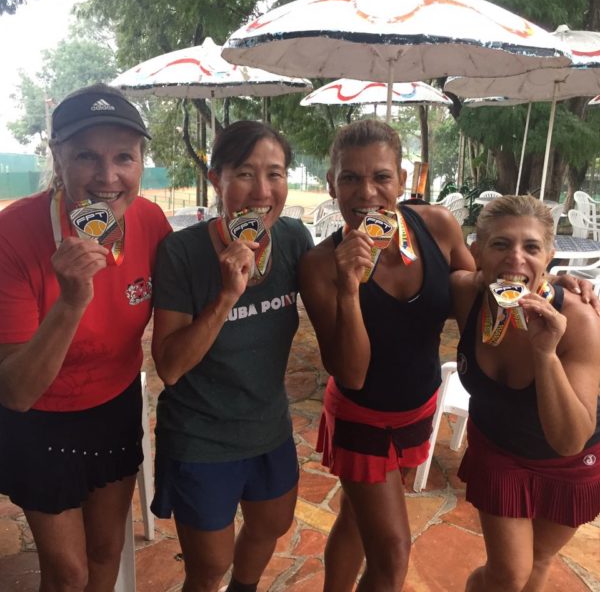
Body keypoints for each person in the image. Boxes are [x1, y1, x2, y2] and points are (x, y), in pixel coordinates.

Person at [0, 83, 171, 591]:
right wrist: (72, 301)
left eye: (124, 157)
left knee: (105, 553)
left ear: (141, 162)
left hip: (114, 407)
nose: (107, 176)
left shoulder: (151, 222)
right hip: (38, 422)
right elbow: (15, 391)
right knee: (68, 573)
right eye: (86, 156)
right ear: (58, 158)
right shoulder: (13, 233)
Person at [298, 119, 476, 591]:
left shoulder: (437, 226)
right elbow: (351, 373)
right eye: (350, 178)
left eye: (381, 176)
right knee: (393, 554)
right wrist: (349, 288)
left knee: (357, 520)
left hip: (419, 406)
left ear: (402, 179)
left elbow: (475, 295)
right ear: (331, 184)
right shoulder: (319, 265)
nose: (367, 192)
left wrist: (551, 287)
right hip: (362, 417)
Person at [150, 120, 313, 592]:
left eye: (275, 173)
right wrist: (225, 297)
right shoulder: (181, 252)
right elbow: (170, 367)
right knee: (208, 567)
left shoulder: (294, 239)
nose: (262, 190)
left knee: (272, 525)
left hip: (268, 427)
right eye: (244, 173)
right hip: (201, 435)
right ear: (216, 179)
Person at [451, 195, 600, 592]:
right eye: (500, 244)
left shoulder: (579, 321)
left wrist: (545, 353)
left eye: (531, 248)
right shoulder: (465, 293)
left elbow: (569, 441)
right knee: (508, 575)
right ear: (477, 252)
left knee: (539, 560)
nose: (516, 258)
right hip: (497, 448)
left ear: (549, 257)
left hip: (570, 462)